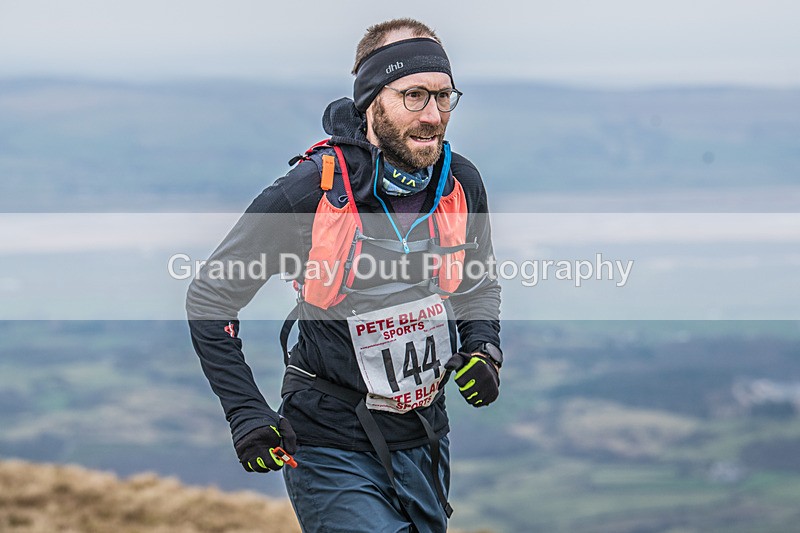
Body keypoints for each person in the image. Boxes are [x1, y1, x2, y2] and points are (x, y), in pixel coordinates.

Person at [187, 18, 502, 533]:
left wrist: (485, 348)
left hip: (424, 439)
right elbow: (210, 298)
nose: (433, 116)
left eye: (445, 97)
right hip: (329, 439)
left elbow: (477, 283)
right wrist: (245, 411)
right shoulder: (309, 191)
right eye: (415, 96)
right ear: (372, 99)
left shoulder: (460, 183)